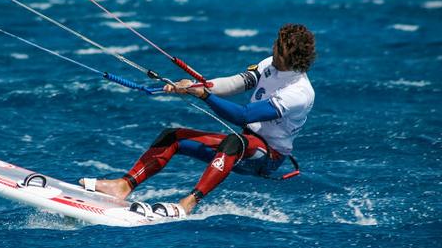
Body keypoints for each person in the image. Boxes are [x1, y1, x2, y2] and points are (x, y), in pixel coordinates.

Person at [80, 24, 316, 219]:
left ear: (290, 57)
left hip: (267, 156)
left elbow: (244, 115)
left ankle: (187, 204)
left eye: (279, 48)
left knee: (235, 142)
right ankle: (123, 185)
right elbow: (235, 83)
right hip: (246, 142)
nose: (273, 48)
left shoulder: (299, 92)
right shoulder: (270, 64)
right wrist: (194, 87)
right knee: (173, 137)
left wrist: (204, 95)